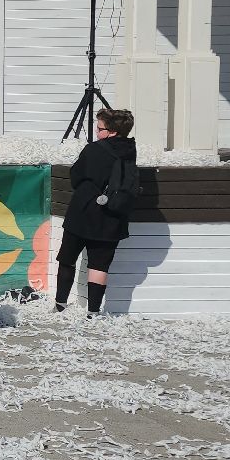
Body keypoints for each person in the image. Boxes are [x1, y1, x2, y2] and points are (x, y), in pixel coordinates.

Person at [55, 108, 138, 315]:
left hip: (84, 212)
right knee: (99, 266)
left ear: (112, 131)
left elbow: (76, 175)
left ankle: (60, 306)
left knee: (67, 259)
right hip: (113, 217)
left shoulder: (94, 150)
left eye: (99, 128)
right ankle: (93, 312)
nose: (96, 131)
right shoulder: (130, 151)